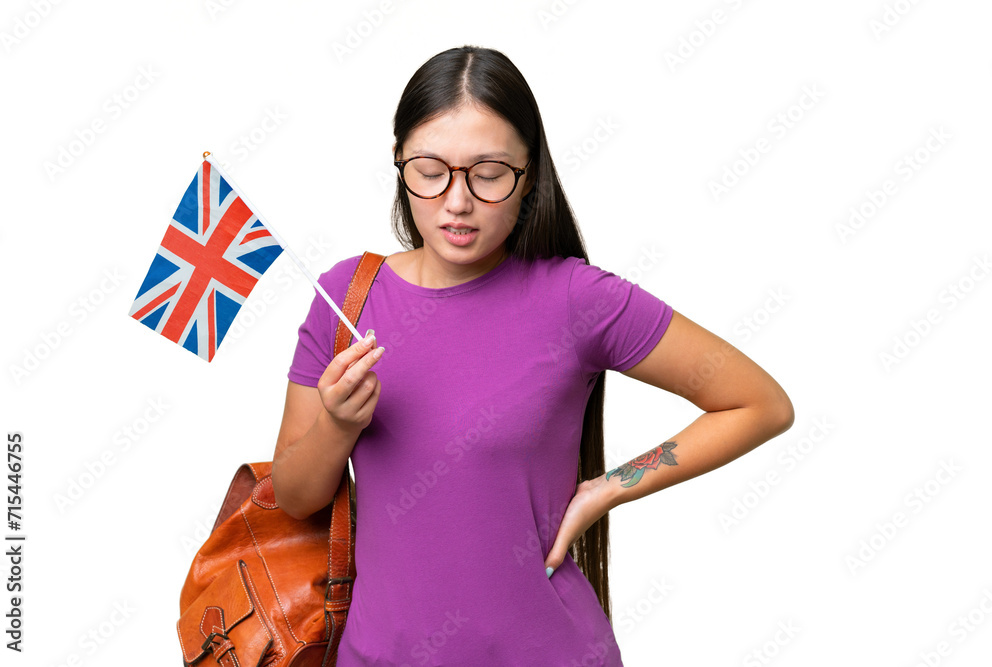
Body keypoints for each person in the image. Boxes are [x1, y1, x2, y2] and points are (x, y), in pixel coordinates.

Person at [271, 45, 794, 666]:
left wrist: (607, 489)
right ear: (398, 162)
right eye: (431, 170)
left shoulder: (577, 298)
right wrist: (337, 423)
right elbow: (295, 496)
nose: (457, 202)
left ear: (529, 172)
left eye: (488, 173)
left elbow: (759, 404)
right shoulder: (345, 298)